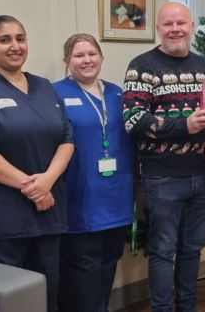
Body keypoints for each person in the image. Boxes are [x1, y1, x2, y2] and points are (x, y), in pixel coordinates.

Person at [122, 1, 205, 312]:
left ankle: (188, 307)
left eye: (181, 23)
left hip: (202, 175)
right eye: (168, 24)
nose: (175, 29)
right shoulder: (142, 66)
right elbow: (133, 120)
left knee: (192, 250)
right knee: (163, 251)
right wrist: (184, 126)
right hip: (161, 176)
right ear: (158, 29)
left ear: (191, 26)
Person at [0, 15, 74, 312]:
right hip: (7, 215)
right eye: (4, 40)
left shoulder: (43, 86)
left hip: (48, 210)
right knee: (12, 298)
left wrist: (46, 182)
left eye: (20, 38)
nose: (15, 46)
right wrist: (33, 188)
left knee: (47, 291)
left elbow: (67, 138)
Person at [52, 33, 134, 312]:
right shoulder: (55, 94)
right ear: (66, 60)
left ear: (100, 57)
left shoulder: (118, 93)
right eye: (78, 55)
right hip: (80, 199)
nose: (87, 60)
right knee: (82, 273)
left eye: (92, 54)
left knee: (108, 264)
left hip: (116, 197)